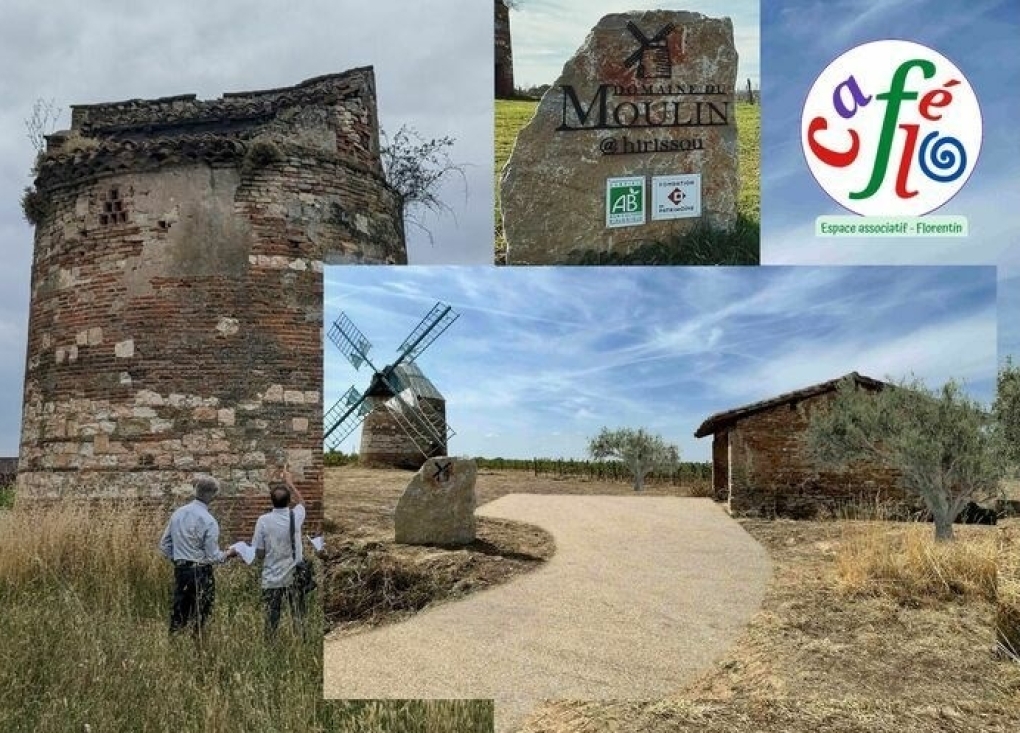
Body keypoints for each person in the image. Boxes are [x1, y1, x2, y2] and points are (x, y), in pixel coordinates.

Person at [158, 474, 237, 637]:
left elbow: (164, 545)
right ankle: (197, 648)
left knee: (179, 613)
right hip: (201, 572)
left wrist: (179, 559)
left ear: (196, 491)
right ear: (213, 495)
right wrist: (230, 553)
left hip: (181, 570)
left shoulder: (178, 514)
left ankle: (174, 647)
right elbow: (213, 557)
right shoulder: (209, 521)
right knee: (200, 615)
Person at [252, 467, 307, 637]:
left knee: (271, 618)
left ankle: (271, 646)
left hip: (272, 577)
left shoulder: (263, 521)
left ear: (271, 501)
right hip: (295, 576)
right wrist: (290, 483)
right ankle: (300, 645)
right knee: (298, 616)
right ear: (289, 501)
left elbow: (259, 553)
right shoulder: (295, 516)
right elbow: (302, 503)